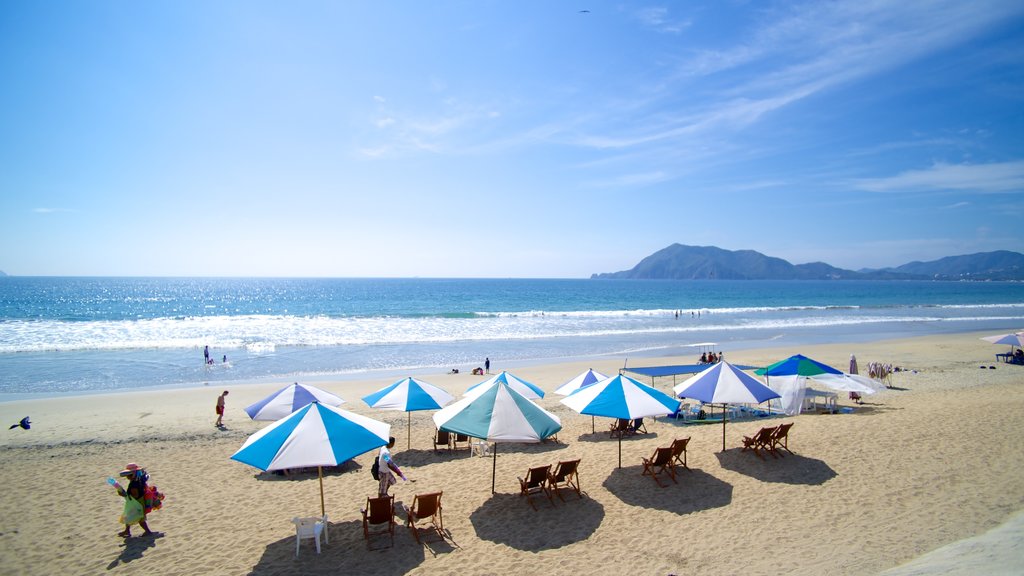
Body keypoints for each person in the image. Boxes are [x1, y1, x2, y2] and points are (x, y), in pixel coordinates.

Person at [113, 463, 154, 538]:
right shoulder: (139, 480)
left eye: (129, 475)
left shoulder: (134, 484)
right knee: (128, 515)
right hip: (138, 501)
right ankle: (127, 531)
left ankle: (148, 531)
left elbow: (135, 495)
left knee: (139, 518)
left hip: (137, 503)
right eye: (127, 475)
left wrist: (124, 494)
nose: (128, 477)